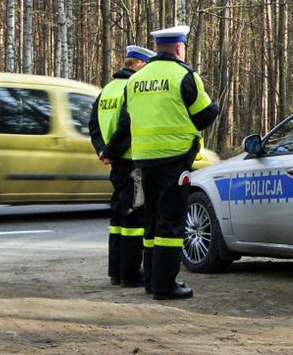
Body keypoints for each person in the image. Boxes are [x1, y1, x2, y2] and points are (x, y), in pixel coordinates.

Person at [102, 25, 219, 300]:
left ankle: (152, 281)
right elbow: (203, 116)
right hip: (174, 159)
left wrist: (110, 150)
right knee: (171, 221)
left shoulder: (135, 81)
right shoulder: (184, 76)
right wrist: (213, 106)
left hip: (143, 161)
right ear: (179, 49)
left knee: (151, 220)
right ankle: (166, 285)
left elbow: (125, 123)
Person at [89, 45, 155, 287]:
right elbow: (127, 125)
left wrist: (102, 150)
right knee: (134, 219)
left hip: (115, 162)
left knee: (117, 218)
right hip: (130, 160)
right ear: (139, 65)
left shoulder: (107, 89)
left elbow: (94, 123)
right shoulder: (131, 88)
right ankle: (130, 274)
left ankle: (115, 271)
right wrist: (112, 150)